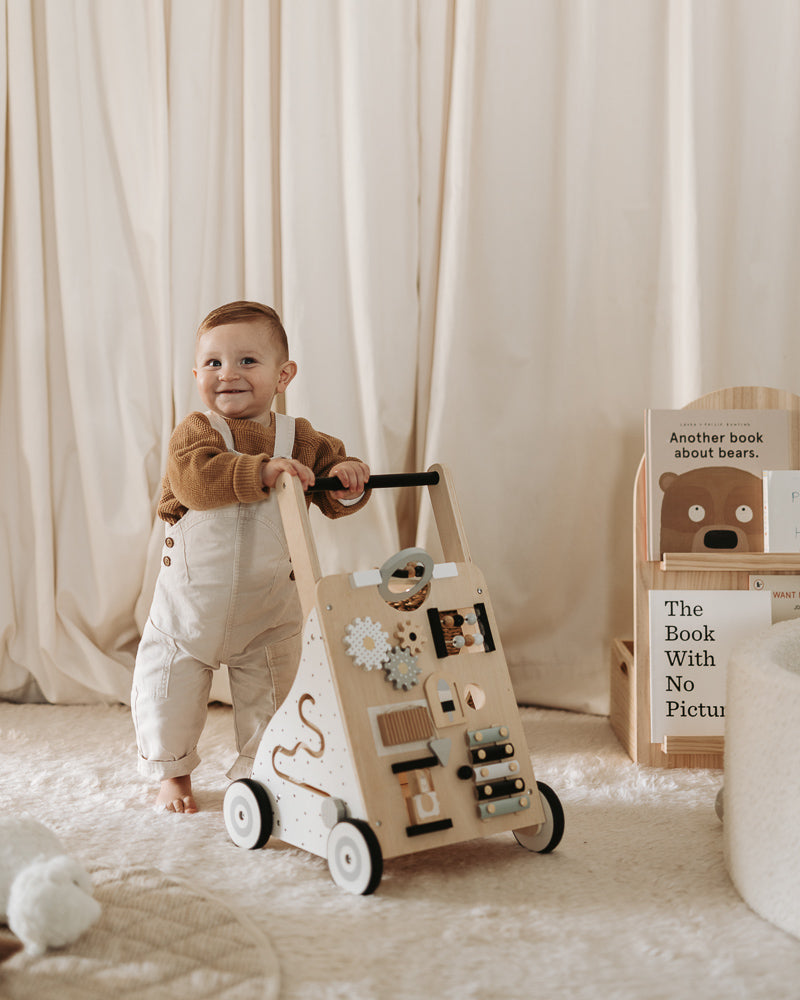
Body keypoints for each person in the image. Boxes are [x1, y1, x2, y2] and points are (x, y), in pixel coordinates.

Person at [132, 301, 370, 813]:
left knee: (276, 697)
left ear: (283, 376)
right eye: (213, 363)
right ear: (196, 375)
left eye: (247, 361)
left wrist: (347, 477)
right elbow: (194, 482)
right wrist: (261, 472)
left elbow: (333, 488)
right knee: (166, 692)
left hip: (268, 609)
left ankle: (263, 773)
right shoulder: (196, 433)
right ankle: (173, 772)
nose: (228, 374)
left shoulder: (301, 438)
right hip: (190, 610)